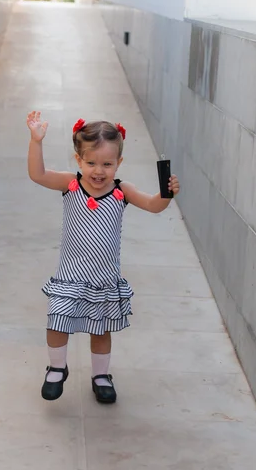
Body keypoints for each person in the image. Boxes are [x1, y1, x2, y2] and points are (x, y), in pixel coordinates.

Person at [27, 111, 180, 404]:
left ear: (118, 163)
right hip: (70, 277)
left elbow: (153, 205)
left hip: (103, 281)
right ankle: (57, 367)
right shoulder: (70, 185)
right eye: (91, 163)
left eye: (107, 164)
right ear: (78, 160)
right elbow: (38, 174)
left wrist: (167, 193)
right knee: (57, 321)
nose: (99, 171)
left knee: (100, 330)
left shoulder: (122, 191)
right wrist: (36, 141)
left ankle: (101, 376)